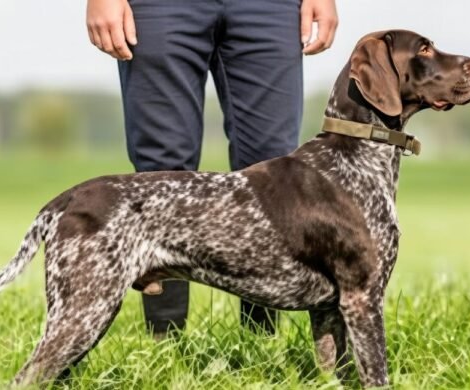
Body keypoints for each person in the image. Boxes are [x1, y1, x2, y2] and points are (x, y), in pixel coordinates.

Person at [86, 0, 338, 337]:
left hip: (269, 7)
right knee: (162, 174)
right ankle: (163, 345)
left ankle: (260, 341)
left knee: (274, 172)